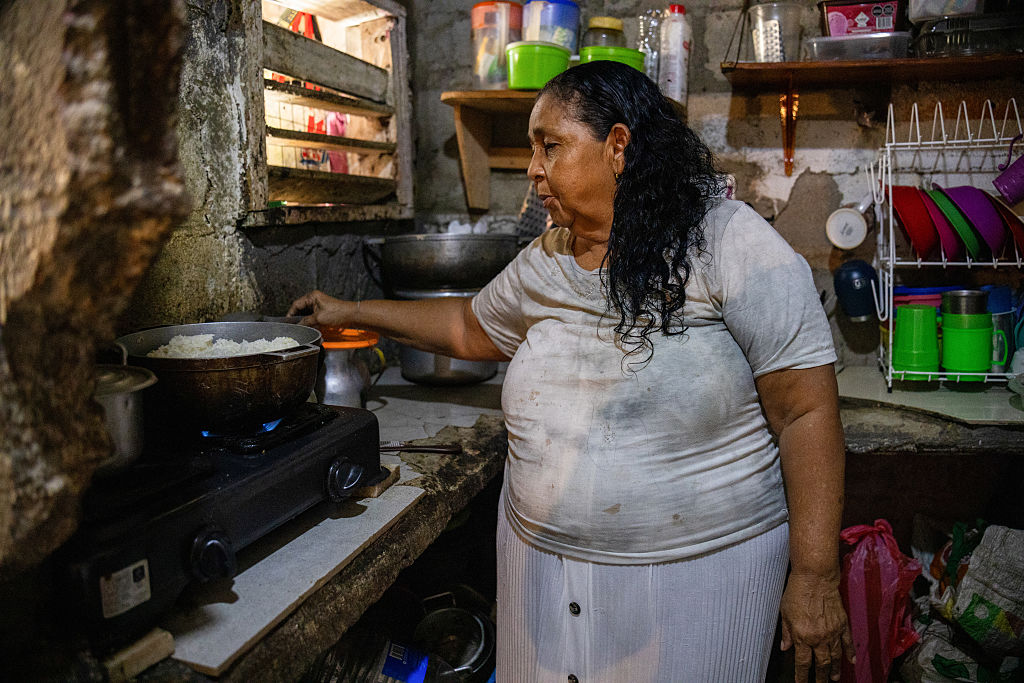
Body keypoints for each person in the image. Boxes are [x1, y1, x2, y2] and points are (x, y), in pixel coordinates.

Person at [290, 61, 853, 683]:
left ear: (618, 147)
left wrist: (815, 576)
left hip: (701, 578)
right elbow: (468, 329)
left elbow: (805, 411)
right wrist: (350, 311)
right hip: (541, 573)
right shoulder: (549, 257)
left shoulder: (727, 243)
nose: (533, 170)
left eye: (550, 147)